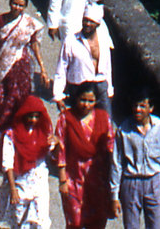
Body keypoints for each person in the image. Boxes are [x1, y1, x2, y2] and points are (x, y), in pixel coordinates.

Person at [55, 84, 115, 229]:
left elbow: (111, 147)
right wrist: (63, 180)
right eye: (83, 100)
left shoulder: (103, 118)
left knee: (97, 220)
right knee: (75, 222)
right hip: (74, 179)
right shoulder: (66, 119)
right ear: (76, 99)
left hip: (98, 179)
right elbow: (60, 150)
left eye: (90, 101)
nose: (86, 105)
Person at [112, 97, 160, 229]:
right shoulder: (123, 130)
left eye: (142, 106)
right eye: (135, 105)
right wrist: (114, 195)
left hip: (154, 182)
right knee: (131, 226)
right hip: (131, 183)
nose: (137, 109)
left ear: (150, 108)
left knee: (157, 225)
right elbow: (116, 163)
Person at [0, 93, 55, 229]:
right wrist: (12, 189)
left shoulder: (43, 132)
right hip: (20, 183)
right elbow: (8, 163)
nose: (33, 120)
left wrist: (57, 144)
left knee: (40, 219)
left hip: (39, 182)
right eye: (30, 116)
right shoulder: (12, 135)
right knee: (20, 220)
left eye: (36, 116)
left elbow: (53, 155)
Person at [0, 0, 47, 120]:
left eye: (21, 6)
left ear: (25, 7)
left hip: (20, 64)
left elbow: (34, 46)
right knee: (1, 98)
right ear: (10, 3)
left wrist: (42, 68)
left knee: (17, 99)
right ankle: (2, 130)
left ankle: (16, 131)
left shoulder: (29, 23)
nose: (17, 7)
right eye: (15, 4)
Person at [53, 4, 114, 120]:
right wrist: (58, 94)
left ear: (98, 24)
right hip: (78, 86)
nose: (87, 24)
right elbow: (61, 68)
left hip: (100, 85)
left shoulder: (104, 40)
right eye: (85, 20)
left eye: (91, 22)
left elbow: (107, 66)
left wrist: (109, 89)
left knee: (105, 122)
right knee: (79, 123)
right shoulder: (71, 41)